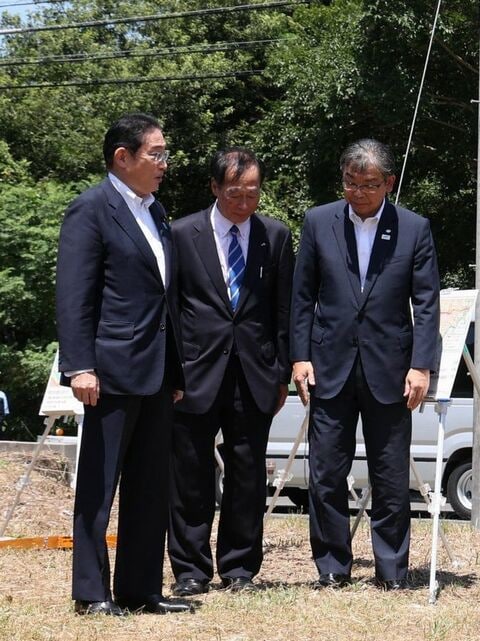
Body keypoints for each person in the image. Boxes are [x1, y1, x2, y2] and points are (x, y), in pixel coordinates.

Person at [55, 113, 192, 616]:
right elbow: (74, 296)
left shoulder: (156, 211)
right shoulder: (91, 209)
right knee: (99, 482)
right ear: (123, 157)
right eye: (156, 153)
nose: (164, 163)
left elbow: (165, 298)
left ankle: (140, 590)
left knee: (150, 485)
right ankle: (92, 593)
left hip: (156, 371)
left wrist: (175, 371)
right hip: (109, 369)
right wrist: (79, 366)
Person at [291, 138, 441, 589]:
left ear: (388, 183)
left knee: (391, 474)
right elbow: (301, 297)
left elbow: (427, 302)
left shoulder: (414, 228)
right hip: (328, 365)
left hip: (391, 371)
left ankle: (392, 570)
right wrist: (299, 357)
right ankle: (333, 567)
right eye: (351, 184)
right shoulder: (319, 222)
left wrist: (422, 365)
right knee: (325, 474)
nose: (359, 192)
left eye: (369, 184)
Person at [167, 148, 294, 596]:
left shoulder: (275, 236)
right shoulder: (181, 234)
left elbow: (283, 310)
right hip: (195, 372)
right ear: (215, 188)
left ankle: (239, 567)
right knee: (190, 474)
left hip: (254, 374)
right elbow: (171, 308)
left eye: (253, 192)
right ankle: (190, 569)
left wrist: (281, 373)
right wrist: (172, 373)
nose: (245, 202)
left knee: (247, 473)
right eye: (235, 193)